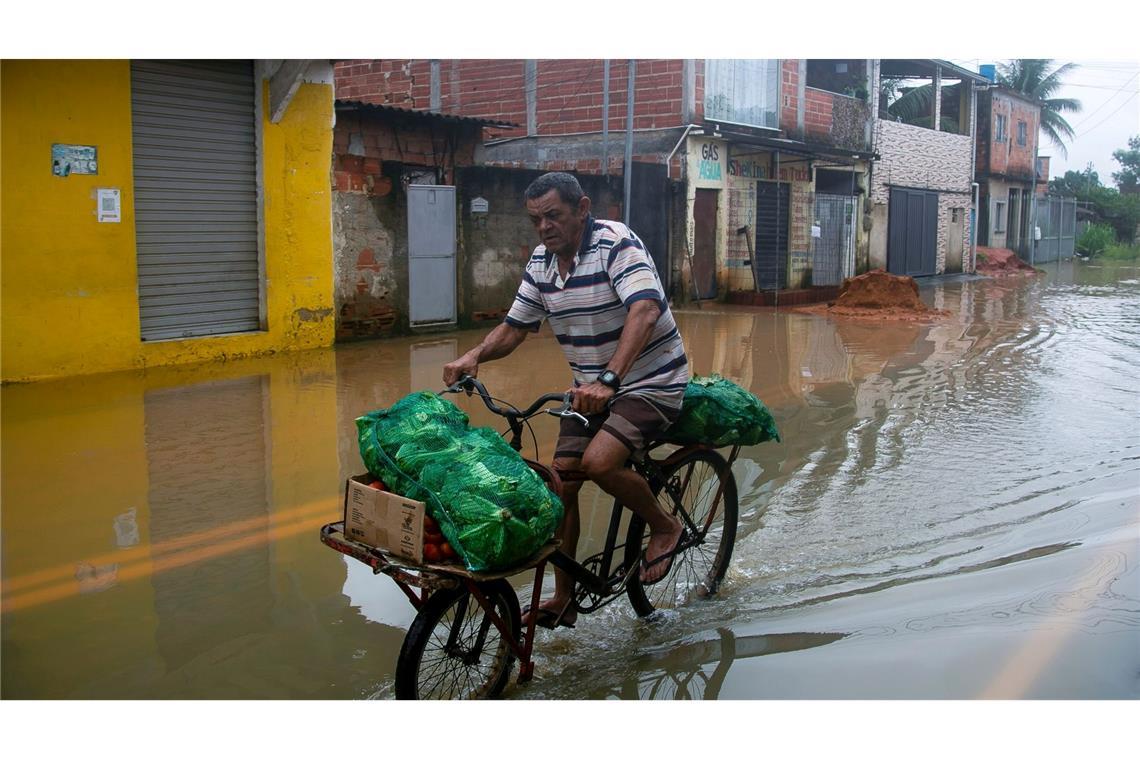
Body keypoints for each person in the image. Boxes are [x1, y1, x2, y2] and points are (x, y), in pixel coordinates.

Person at [442, 172, 689, 629]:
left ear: (582, 208)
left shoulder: (617, 244)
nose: (543, 228)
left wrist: (611, 379)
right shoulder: (541, 263)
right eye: (535, 220)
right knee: (559, 487)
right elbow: (516, 327)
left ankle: (664, 524)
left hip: (652, 383)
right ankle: (565, 597)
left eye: (552, 216)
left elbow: (645, 309)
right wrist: (474, 355)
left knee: (598, 464)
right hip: (588, 391)